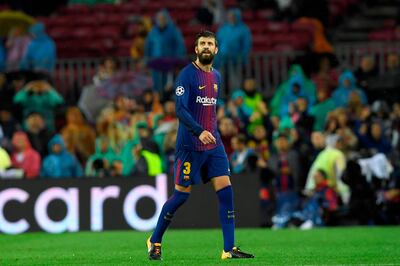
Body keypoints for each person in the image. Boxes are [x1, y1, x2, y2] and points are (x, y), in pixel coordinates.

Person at [146, 31, 254, 260]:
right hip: (190, 145)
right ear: (196, 49)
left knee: (226, 191)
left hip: (213, 144)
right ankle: (154, 240)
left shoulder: (216, 76)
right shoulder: (187, 75)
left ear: (216, 50)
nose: (206, 47)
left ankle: (228, 248)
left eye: (210, 44)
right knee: (181, 196)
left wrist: (213, 129)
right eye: (202, 43)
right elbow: (180, 110)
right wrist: (199, 131)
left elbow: (209, 109)